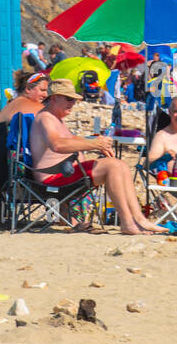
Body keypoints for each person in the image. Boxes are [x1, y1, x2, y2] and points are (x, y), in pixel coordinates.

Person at [30, 80, 167, 235]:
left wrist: (97, 143)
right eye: (68, 99)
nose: (73, 103)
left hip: (64, 173)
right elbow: (57, 145)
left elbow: (72, 140)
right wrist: (95, 145)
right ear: (54, 97)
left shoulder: (56, 118)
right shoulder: (46, 118)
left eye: (74, 100)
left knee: (120, 164)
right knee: (112, 166)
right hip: (53, 179)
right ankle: (127, 222)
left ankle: (139, 219)